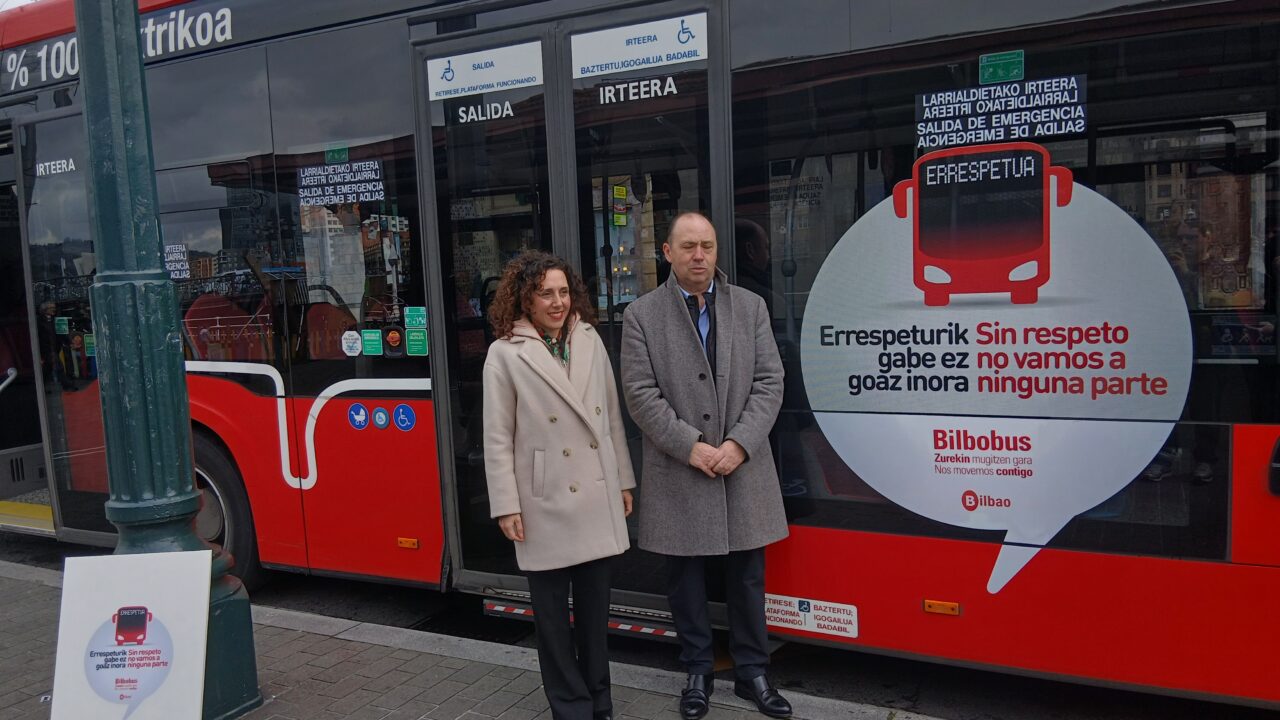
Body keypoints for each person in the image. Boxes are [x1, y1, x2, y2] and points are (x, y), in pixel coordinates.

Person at [621, 212, 791, 719]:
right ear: (668, 252)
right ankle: (696, 670)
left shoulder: (751, 307)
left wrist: (739, 444)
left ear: (717, 252)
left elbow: (770, 382)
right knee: (686, 579)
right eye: (689, 246)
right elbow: (639, 393)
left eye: (708, 246)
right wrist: (689, 446)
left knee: (746, 579)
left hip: (744, 466)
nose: (700, 256)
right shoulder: (641, 315)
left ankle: (753, 673)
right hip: (681, 468)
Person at [483, 250, 635, 720]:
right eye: (544, 293)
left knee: (594, 617)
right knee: (551, 621)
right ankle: (570, 707)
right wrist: (506, 505)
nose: (557, 302)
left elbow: (610, 419)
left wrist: (624, 481)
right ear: (524, 299)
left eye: (563, 292)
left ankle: (600, 702)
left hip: (594, 491)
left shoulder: (590, 339)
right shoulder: (505, 353)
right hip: (542, 501)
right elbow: (497, 437)